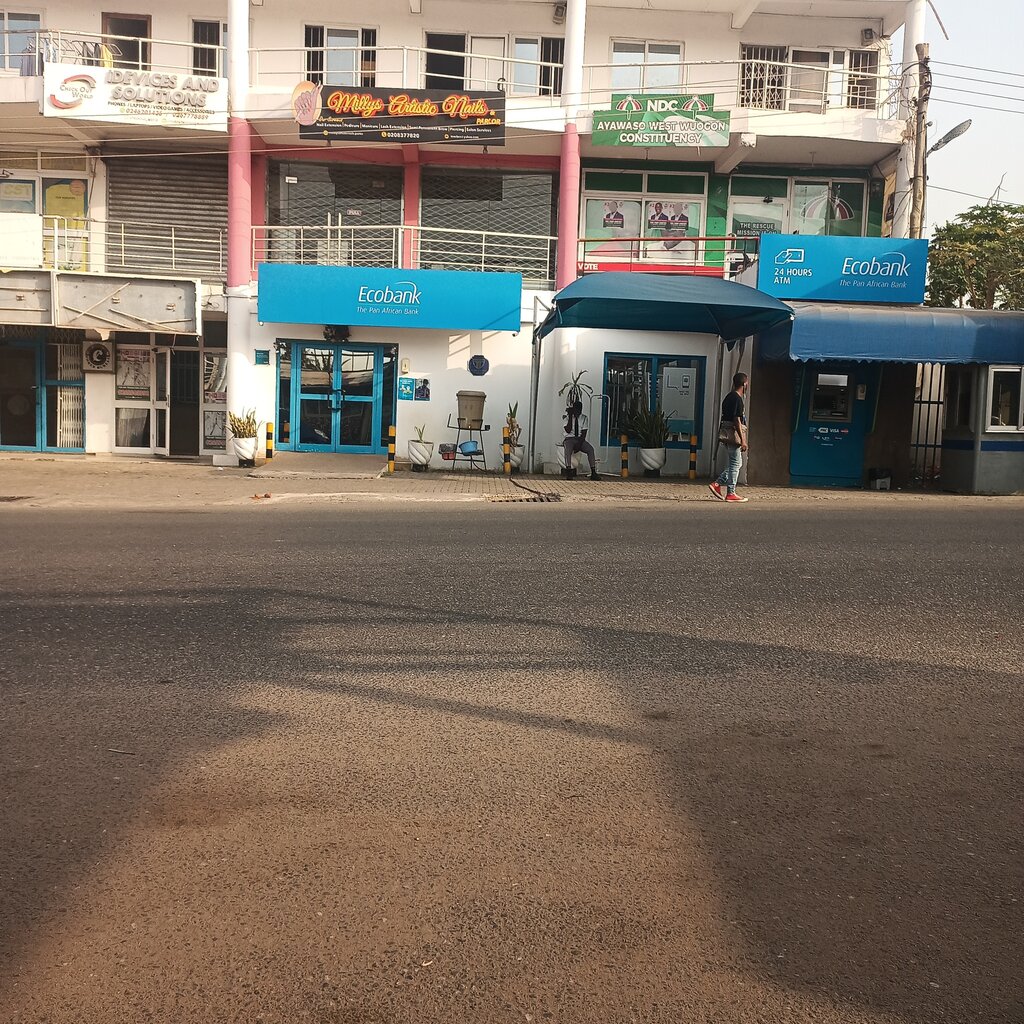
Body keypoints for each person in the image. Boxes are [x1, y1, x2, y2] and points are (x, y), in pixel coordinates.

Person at [710, 372, 749, 503]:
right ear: (744, 384)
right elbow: (736, 420)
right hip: (733, 433)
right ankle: (730, 492)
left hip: (726, 432)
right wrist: (743, 440)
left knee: (736, 463)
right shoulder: (737, 399)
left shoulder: (729, 397)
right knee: (735, 463)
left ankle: (717, 484)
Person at [563, 400, 600, 480]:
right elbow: (568, 430)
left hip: (580, 439)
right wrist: (570, 416)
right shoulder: (567, 418)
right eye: (576, 409)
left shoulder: (584, 418)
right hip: (569, 439)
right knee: (567, 451)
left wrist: (579, 445)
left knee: (590, 449)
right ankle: (568, 471)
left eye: (579, 409)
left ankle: (593, 472)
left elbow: (584, 433)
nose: (578, 411)